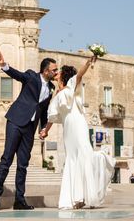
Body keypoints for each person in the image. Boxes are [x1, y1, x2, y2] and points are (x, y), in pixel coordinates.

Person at [40, 57, 115, 209]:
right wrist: (45, 130)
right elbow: (53, 117)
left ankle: (86, 196)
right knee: (72, 160)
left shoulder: (71, 86)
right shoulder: (56, 94)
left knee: (83, 156)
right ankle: (76, 198)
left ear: (64, 76)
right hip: (68, 130)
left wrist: (87, 63)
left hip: (78, 125)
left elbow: (79, 75)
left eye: (59, 71)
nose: (56, 73)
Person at [0, 51, 57, 211]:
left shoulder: (51, 88)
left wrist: (43, 129)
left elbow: (43, 110)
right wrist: (3, 65)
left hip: (30, 128)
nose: (56, 72)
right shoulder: (31, 76)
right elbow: (17, 75)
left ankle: (19, 200)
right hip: (16, 121)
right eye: (54, 70)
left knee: (23, 164)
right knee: (7, 159)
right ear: (46, 70)